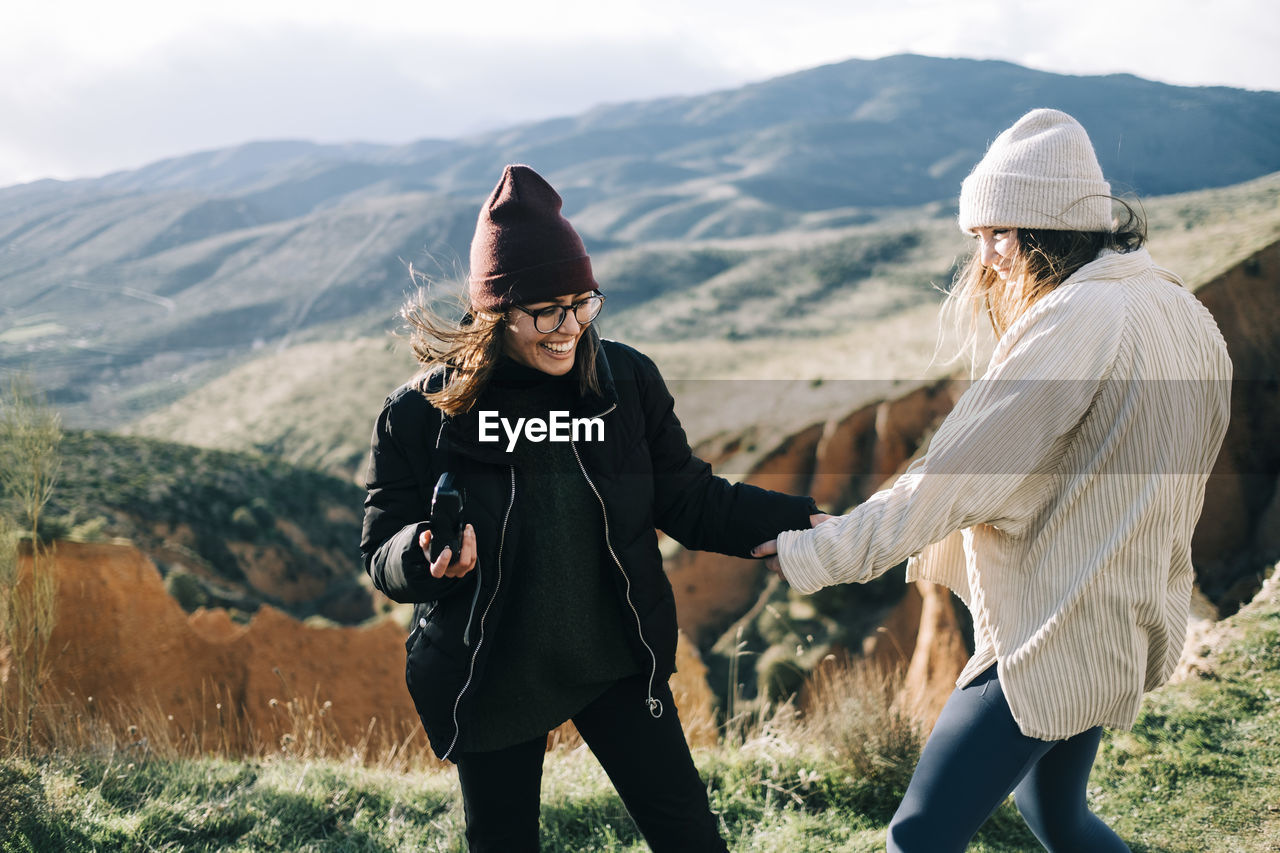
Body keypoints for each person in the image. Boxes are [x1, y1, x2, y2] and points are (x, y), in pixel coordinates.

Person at [753, 109, 1232, 852]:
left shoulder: (1076, 317)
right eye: (976, 236)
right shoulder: (1176, 304)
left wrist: (819, 551)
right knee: (1057, 817)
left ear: (1053, 228)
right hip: (1119, 611)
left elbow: (953, 477)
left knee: (917, 836)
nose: (986, 259)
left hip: (1048, 633)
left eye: (1000, 234)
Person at [361, 164, 824, 852]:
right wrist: (426, 554)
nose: (569, 327)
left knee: (692, 837)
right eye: (546, 310)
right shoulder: (420, 414)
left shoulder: (626, 382)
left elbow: (687, 497)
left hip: (614, 655)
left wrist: (793, 519)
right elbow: (381, 550)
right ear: (495, 310)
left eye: (583, 303)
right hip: (493, 671)